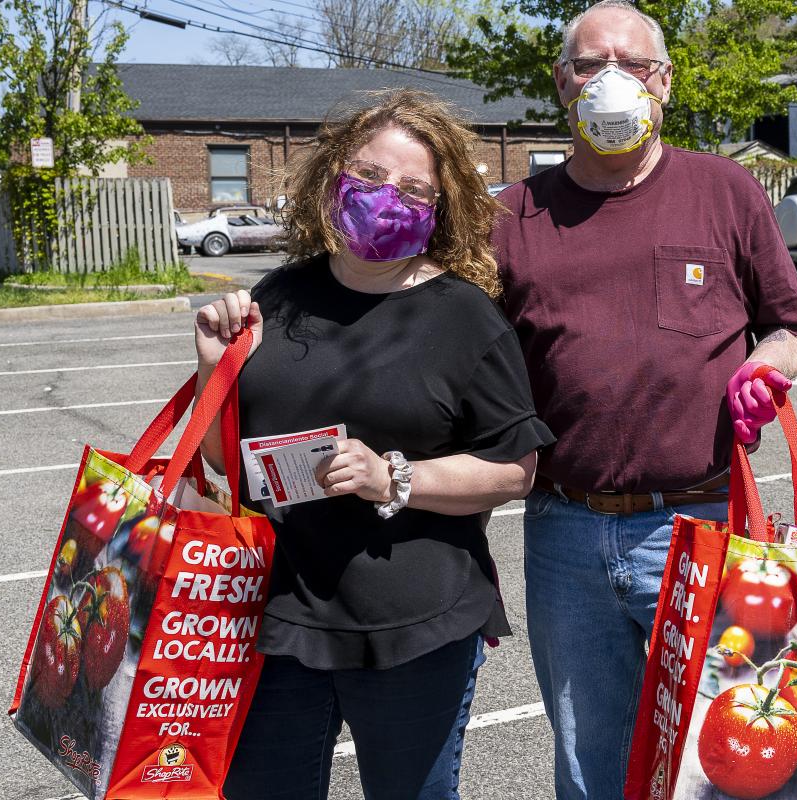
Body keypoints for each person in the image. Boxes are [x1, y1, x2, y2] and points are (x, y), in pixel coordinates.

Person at [491, 1, 797, 796]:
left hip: (703, 522)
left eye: (632, 63)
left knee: (729, 760)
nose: (611, 79)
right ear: (562, 84)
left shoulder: (725, 190)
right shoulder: (512, 216)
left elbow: (792, 325)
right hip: (565, 529)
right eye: (589, 64)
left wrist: (768, 368)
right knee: (589, 764)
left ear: (664, 82)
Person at [194, 90, 554, 800]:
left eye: (414, 189)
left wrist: (395, 477)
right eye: (368, 176)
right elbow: (224, 462)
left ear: (442, 208)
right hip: (279, 615)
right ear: (332, 178)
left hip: (413, 625)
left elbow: (515, 469)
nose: (387, 198)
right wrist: (213, 365)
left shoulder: (465, 318)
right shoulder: (280, 296)